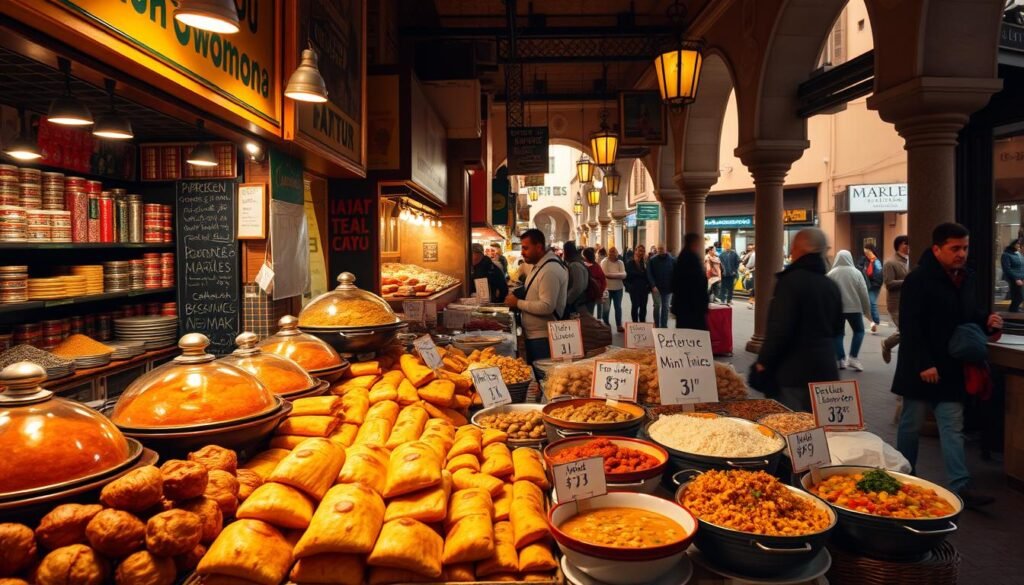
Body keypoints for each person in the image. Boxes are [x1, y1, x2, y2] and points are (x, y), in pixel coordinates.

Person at [893, 222, 1002, 508]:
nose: (962, 254)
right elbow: (910, 325)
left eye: (965, 247)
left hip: (952, 367)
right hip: (921, 366)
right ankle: (905, 477)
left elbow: (968, 314)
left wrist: (986, 320)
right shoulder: (918, 280)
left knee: (953, 426)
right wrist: (924, 363)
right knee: (911, 425)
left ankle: (960, 484)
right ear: (937, 249)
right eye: (955, 248)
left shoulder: (967, 278)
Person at [753, 229, 842, 412]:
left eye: (793, 248)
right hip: (825, 369)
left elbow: (780, 328)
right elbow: (837, 329)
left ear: (799, 249)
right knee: (820, 428)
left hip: (792, 372)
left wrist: (763, 361)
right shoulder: (830, 285)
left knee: (792, 428)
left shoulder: (789, 282)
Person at [504, 229, 567, 365]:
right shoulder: (539, 266)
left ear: (538, 247)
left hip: (543, 338)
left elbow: (547, 306)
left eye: (526, 248)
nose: (522, 252)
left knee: (544, 378)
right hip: (536, 336)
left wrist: (518, 303)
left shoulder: (549, 270)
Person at [828, 250, 873, 372]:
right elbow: (863, 293)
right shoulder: (856, 273)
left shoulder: (831, 273)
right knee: (859, 331)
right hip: (854, 308)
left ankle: (841, 359)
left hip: (836, 310)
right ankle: (853, 357)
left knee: (838, 333)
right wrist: (867, 311)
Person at [671, 234, 709, 330]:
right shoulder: (690, 258)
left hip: (684, 305)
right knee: (693, 334)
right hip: (691, 306)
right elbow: (697, 282)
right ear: (693, 243)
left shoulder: (683, 257)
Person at [881, 236, 910, 363]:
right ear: (899, 245)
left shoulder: (910, 260)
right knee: (906, 330)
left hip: (909, 301)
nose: (909, 246)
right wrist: (908, 281)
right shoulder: (890, 262)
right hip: (896, 303)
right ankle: (887, 344)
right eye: (906, 244)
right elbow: (889, 284)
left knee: (909, 329)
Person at [647, 245, 676, 328]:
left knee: (665, 307)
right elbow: (649, 273)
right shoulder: (652, 260)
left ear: (666, 250)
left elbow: (675, 274)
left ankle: (664, 325)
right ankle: (656, 325)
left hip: (668, 289)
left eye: (662, 249)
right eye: (659, 249)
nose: (660, 250)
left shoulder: (672, 260)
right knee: (657, 306)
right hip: (656, 288)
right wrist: (653, 285)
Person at [601, 247, 627, 331]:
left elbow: (624, 275)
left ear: (617, 253)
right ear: (608, 253)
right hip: (607, 289)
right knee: (606, 308)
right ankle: (605, 324)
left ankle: (619, 325)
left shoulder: (620, 263)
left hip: (618, 288)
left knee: (618, 307)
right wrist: (618, 275)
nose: (613, 254)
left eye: (614, 252)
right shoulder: (604, 262)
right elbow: (605, 274)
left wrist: (612, 275)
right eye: (611, 252)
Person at [562, 241, 590, 315]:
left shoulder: (575, 265)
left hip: (576, 303)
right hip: (578, 301)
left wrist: (567, 300)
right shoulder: (577, 262)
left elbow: (577, 287)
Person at [625, 244, 651, 323]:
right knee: (635, 306)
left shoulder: (646, 263)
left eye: (643, 251)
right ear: (635, 251)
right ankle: (635, 324)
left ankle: (642, 323)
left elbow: (648, 275)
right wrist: (641, 274)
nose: (641, 252)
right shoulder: (630, 262)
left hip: (644, 289)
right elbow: (629, 274)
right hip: (634, 288)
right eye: (639, 250)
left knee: (643, 307)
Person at [860, 243, 883, 332]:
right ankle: (872, 322)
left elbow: (878, 274)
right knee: (867, 303)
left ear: (871, 250)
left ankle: (875, 321)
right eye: (864, 250)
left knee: (871, 302)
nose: (865, 251)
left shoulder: (876, 261)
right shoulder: (864, 259)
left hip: (874, 285)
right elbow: (859, 267)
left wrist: (874, 282)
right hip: (866, 284)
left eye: (866, 250)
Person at [582, 247, 607, 317]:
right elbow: (603, 280)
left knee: (588, 315)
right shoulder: (597, 266)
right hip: (593, 294)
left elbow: (603, 280)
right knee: (590, 313)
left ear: (585, 257)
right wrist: (600, 291)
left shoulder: (582, 266)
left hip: (588, 295)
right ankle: (599, 319)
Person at [1001, 241, 1024, 312]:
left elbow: (1021, 266)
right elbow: (1006, 269)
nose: (1018, 246)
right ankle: (1013, 310)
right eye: (1017, 244)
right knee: (1019, 297)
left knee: (1019, 296)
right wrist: (1016, 279)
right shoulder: (1006, 255)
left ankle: (1014, 308)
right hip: (1013, 278)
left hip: (1021, 278)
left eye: (1019, 244)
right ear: (1013, 245)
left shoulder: (1017, 254)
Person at [741, 244, 756, 309]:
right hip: (755, 272)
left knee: (753, 288)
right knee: (754, 288)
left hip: (753, 272)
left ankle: (752, 303)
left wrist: (746, 268)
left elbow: (749, 264)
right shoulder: (752, 254)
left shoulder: (753, 254)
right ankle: (752, 303)